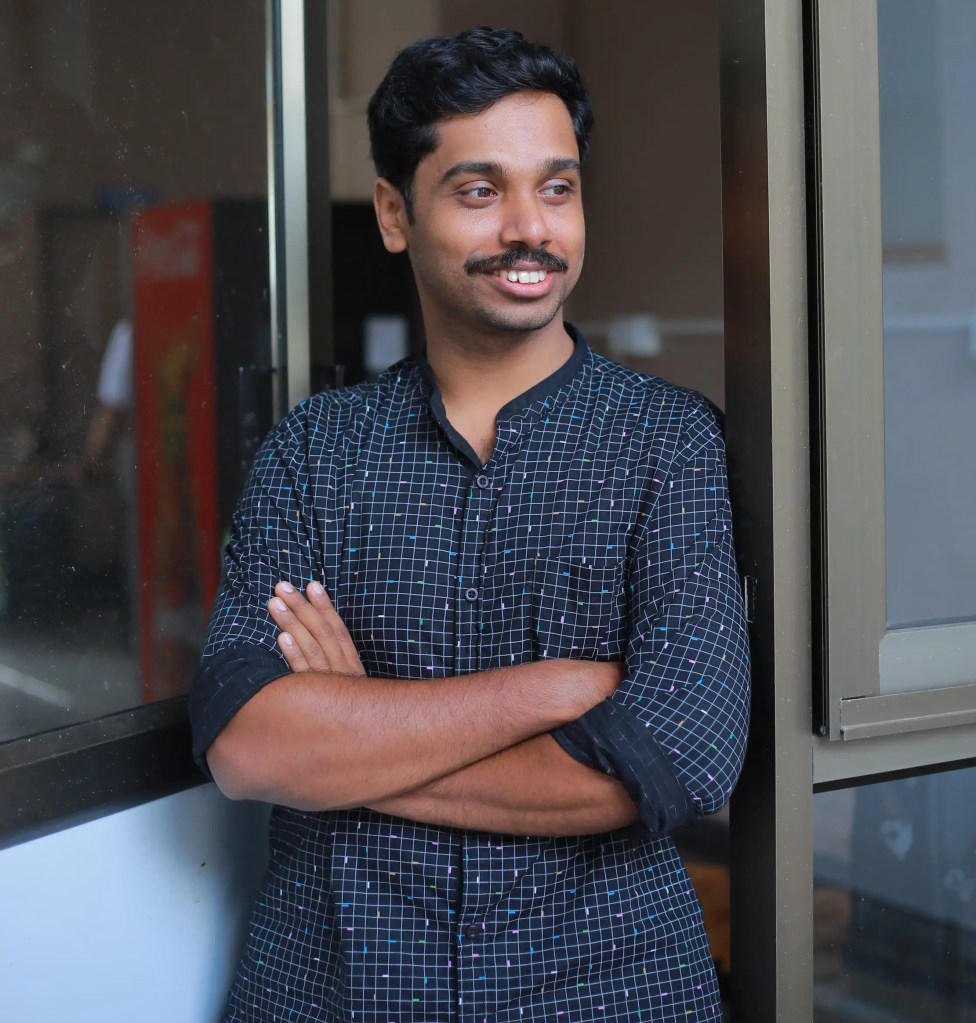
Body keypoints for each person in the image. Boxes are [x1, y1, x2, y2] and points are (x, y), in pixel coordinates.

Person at [190, 27, 751, 1023]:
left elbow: (674, 758)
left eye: (558, 187)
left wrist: (355, 740)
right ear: (395, 215)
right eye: (480, 191)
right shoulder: (312, 453)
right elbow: (247, 745)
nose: (529, 228)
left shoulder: (671, 443)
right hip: (335, 985)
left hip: (610, 989)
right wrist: (551, 692)